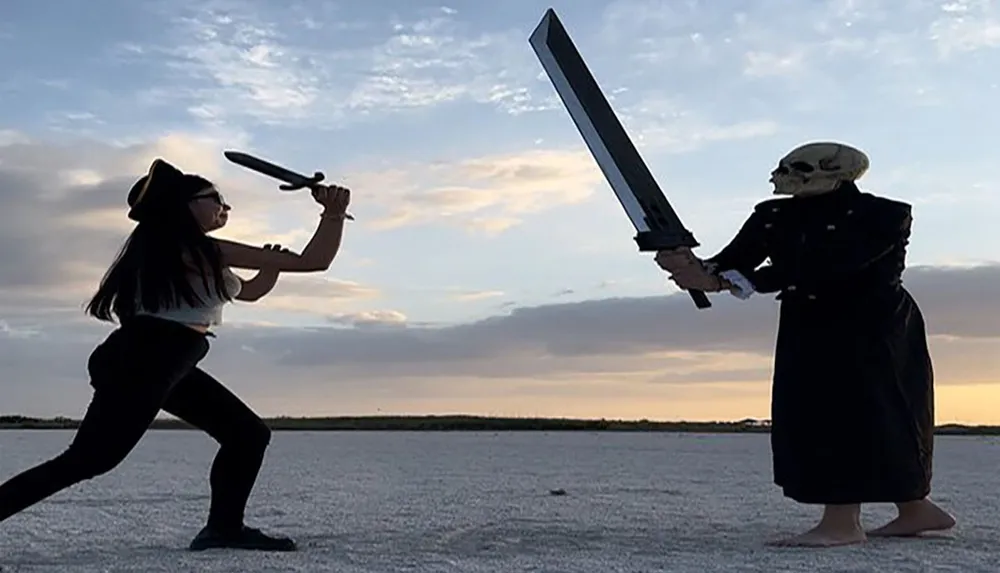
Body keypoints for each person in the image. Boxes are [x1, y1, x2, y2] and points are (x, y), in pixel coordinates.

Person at [0, 158, 352, 552]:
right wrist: (333, 213)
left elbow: (250, 291)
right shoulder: (188, 248)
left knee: (246, 434)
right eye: (216, 197)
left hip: (169, 362)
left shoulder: (187, 256)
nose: (226, 206)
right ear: (185, 204)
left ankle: (223, 528)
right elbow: (314, 261)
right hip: (148, 360)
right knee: (87, 460)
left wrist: (270, 267)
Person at [654, 141, 956, 547]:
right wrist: (698, 268)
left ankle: (843, 522)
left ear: (837, 172)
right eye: (784, 166)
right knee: (818, 411)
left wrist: (722, 280)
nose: (786, 175)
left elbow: (828, 265)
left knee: (871, 410)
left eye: (799, 168)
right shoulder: (773, 214)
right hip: (809, 322)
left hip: (873, 326)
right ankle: (915, 509)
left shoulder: (884, 214)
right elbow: (737, 259)